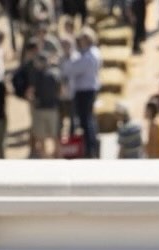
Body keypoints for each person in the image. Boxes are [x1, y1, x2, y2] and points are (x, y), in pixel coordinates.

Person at [70, 27, 101, 158]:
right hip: (90, 88)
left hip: (85, 89)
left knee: (86, 119)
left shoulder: (88, 56)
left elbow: (74, 69)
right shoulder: (94, 52)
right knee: (89, 118)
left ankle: (90, 147)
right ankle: (92, 145)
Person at [29, 52, 61, 158]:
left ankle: (46, 158)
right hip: (52, 108)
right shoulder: (55, 74)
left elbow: (30, 92)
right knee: (54, 135)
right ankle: (57, 156)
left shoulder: (36, 75)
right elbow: (61, 91)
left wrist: (32, 102)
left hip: (40, 109)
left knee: (42, 138)